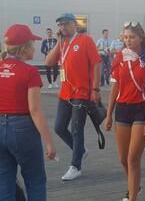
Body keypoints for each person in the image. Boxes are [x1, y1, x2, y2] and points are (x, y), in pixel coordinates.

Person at [104, 21, 145, 201]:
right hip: (122, 109)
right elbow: (115, 88)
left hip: (140, 110)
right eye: (125, 37)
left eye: (132, 37)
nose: (128, 41)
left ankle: (132, 196)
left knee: (132, 158)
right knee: (123, 158)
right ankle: (135, 185)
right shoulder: (119, 57)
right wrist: (108, 115)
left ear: (141, 38)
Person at [0, 24, 56, 200]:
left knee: (4, 180)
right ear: (24, 48)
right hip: (22, 128)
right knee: (35, 179)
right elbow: (35, 110)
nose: (34, 47)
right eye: (32, 43)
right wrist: (49, 143)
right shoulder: (30, 72)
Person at [44, 13, 102, 181]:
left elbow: (97, 63)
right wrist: (58, 42)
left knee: (77, 129)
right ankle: (81, 151)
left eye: (65, 24)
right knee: (59, 127)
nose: (62, 27)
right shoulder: (63, 43)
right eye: (60, 25)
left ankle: (75, 166)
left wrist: (96, 88)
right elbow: (48, 62)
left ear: (74, 25)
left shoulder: (85, 40)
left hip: (81, 92)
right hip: (65, 92)